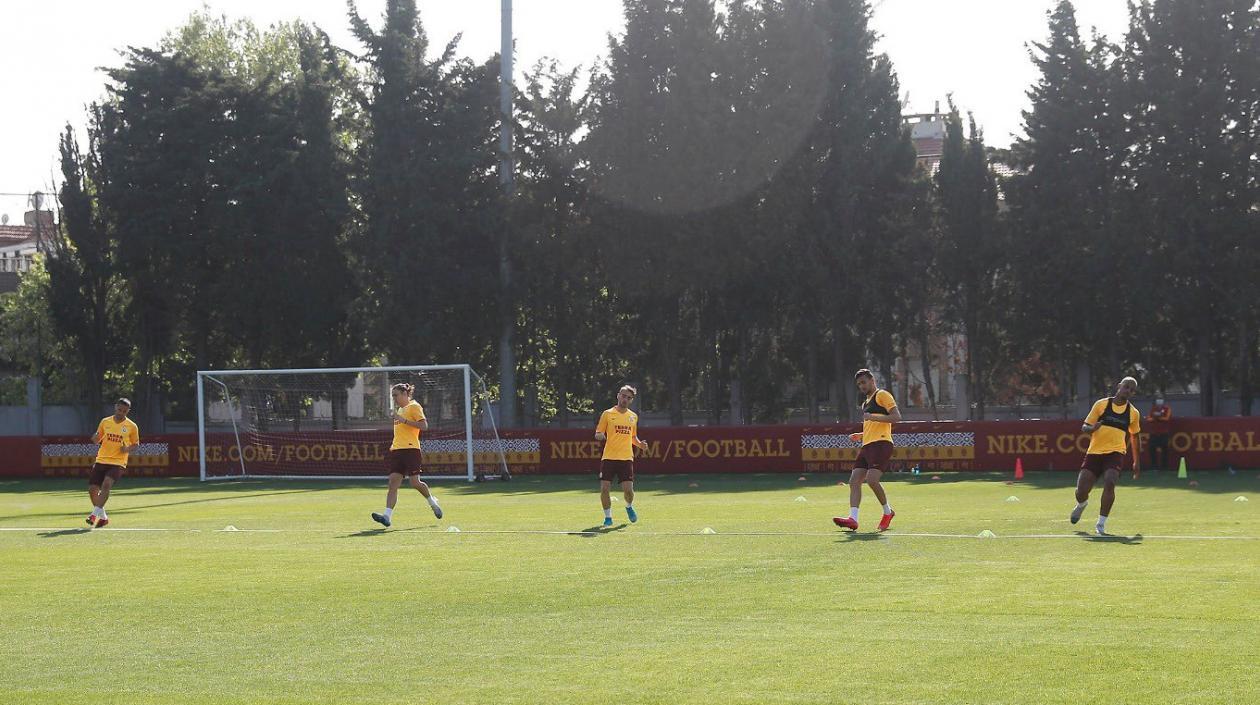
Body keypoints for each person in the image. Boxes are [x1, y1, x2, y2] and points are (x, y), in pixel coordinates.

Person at [1070, 377, 1142, 535]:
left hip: (1115, 453)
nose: (1127, 390)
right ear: (1119, 386)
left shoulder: (1133, 413)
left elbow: (1135, 437)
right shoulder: (1101, 404)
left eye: (1131, 389)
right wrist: (1092, 428)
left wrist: (1136, 462)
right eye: (1126, 387)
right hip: (1094, 452)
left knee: (1110, 482)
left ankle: (1101, 524)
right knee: (1081, 491)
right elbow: (1085, 427)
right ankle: (1082, 505)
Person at [833, 369, 901, 532]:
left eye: (863, 382)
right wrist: (862, 435)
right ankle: (853, 519)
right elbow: (873, 425)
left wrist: (873, 417)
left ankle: (887, 512)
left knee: (871, 480)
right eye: (859, 384)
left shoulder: (882, 395)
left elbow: (896, 417)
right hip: (867, 445)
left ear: (872, 380)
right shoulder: (866, 403)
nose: (861, 386)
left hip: (882, 444)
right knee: (854, 481)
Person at [372, 383, 442, 527]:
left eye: (396, 395)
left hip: (411, 450)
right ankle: (387, 516)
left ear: (405, 394)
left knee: (415, 482)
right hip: (397, 451)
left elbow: (424, 426)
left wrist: (403, 420)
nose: (394, 398)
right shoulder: (399, 410)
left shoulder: (414, 407)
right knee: (393, 483)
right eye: (392, 396)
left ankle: (432, 501)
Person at [595, 385, 647, 527]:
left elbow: (633, 437)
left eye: (628, 398)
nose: (625, 399)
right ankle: (608, 517)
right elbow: (598, 432)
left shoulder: (633, 416)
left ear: (631, 400)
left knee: (629, 492)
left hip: (626, 458)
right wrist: (600, 435)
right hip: (609, 457)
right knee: (605, 489)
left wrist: (640, 445)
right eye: (623, 396)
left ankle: (629, 507)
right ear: (618, 395)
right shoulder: (607, 414)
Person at [86, 398, 140, 529]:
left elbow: (136, 444)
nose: (121, 412)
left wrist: (126, 449)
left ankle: (93, 515)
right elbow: (97, 438)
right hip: (102, 459)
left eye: (124, 411)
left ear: (128, 411)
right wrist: (95, 438)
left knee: (106, 485)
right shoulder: (105, 421)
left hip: (118, 462)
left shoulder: (132, 426)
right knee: (92, 490)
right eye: (119, 409)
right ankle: (103, 518)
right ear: (115, 407)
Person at [1146, 396, 1172, 471]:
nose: (1159, 401)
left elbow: (1167, 418)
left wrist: (1158, 417)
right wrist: (1155, 418)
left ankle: (1164, 467)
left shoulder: (1167, 408)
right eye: (1158, 400)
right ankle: (1154, 467)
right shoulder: (1153, 409)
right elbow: (1148, 418)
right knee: (1152, 450)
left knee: (1165, 450)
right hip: (1154, 433)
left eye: (1161, 400)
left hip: (1164, 433)